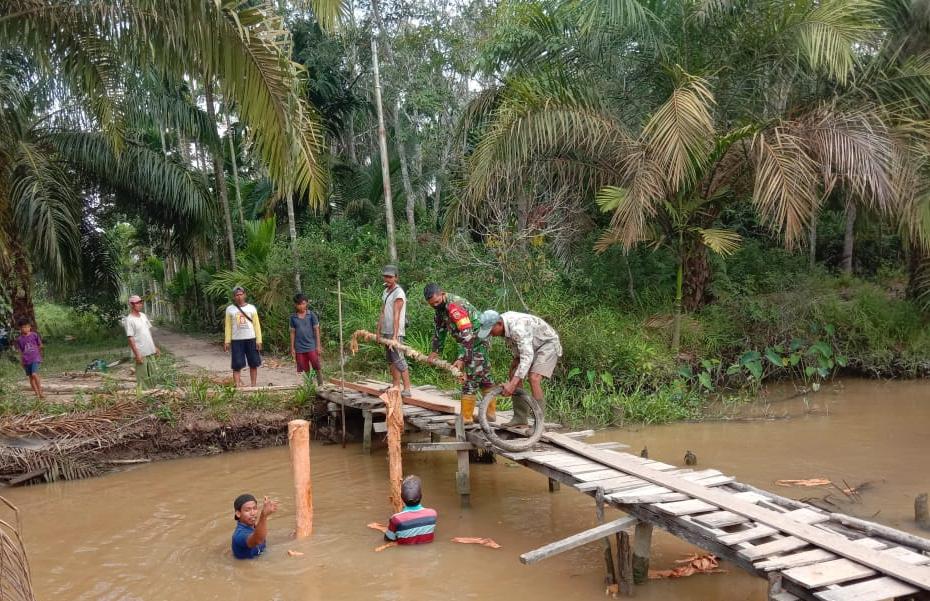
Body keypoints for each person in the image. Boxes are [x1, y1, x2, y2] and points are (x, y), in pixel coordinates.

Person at [423, 283, 496, 424]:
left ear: (442, 293)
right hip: (471, 340)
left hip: (477, 339)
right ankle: (490, 414)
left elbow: (467, 333)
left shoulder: (454, 306)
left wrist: (462, 358)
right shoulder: (440, 310)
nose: (435, 305)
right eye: (432, 304)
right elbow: (440, 331)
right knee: (484, 376)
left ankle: (466, 418)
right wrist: (435, 352)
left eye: (437, 302)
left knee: (470, 377)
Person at [477, 310, 562, 427]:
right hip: (530, 345)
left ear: (499, 324)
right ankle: (520, 418)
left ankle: (539, 424)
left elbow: (527, 356)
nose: (490, 334)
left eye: (491, 331)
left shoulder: (517, 327)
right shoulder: (504, 325)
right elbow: (519, 346)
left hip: (547, 344)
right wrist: (514, 373)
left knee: (534, 378)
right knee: (513, 373)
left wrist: (512, 385)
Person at [375, 265, 411, 397]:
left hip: (396, 332)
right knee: (391, 360)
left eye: (390, 277)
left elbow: (396, 315)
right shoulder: (385, 291)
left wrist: (395, 337)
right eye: (386, 276)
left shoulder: (398, 293)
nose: (388, 279)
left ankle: (407, 388)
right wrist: (378, 331)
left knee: (399, 359)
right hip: (386, 330)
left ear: (396, 277)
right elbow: (383, 312)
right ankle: (396, 385)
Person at [224, 286, 262, 387]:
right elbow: (228, 326)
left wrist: (259, 340)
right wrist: (227, 341)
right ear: (234, 297)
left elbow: (256, 325)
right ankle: (237, 386)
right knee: (237, 365)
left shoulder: (251, 308)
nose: (239, 297)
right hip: (236, 340)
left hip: (251, 339)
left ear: (245, 295)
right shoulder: (229, 309)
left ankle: (253, 385)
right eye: (237, 295)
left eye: (241, 294)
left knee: (253, 363)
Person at [384, 475, 437, 545]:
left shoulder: (396, 519)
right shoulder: (432, 514)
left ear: (401, 497)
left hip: (404, 551)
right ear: (421, 496)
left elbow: (389, 539)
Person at [125, 295, 160, 390]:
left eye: (140, 302)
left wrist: (154, 346)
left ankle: (154, 393)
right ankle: (144, 397)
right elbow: (130, 338)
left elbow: (148, 333)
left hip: (150, 351)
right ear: (132, 305)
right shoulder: (129, 320)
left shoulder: (143, 316)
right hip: (141, 353)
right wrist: (137, 354)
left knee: (153, 374)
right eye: (137, 303)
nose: (140, 304)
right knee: (143, 377)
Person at [289, 293, 324, 386]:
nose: (302, 306)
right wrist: (292, 348)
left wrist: (318, 346)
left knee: (316, 364)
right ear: (296, 305)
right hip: (299, 346)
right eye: (300, 304)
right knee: (304, 366)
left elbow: (316, 330)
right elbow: (292, 332)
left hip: (311, 345)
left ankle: (321, 385)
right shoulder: (293, 317)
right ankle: (310, 386)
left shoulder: (311, 315)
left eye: (304, 303)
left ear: (307, 303)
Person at [231, 493, 279, 560]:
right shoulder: (239, 535)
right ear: (238, 513)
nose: (253, 513)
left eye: (255, 508)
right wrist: (264, 515)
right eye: (247, 510)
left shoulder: (254, 527)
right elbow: (258, 540)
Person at [15, 318, 43, 399]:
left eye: (27, 327)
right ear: (20, 328)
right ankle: (36, 393)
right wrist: (21, 361)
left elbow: (40, 345)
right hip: (26, 360)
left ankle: (41, 392)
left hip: (35, 358)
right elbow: (21, 351)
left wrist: (39, 354)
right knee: (30, 377)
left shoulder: (34, 335)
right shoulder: (19, 339)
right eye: (23, 327)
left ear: (30, 327)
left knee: (34, 374)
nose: (26, 329)